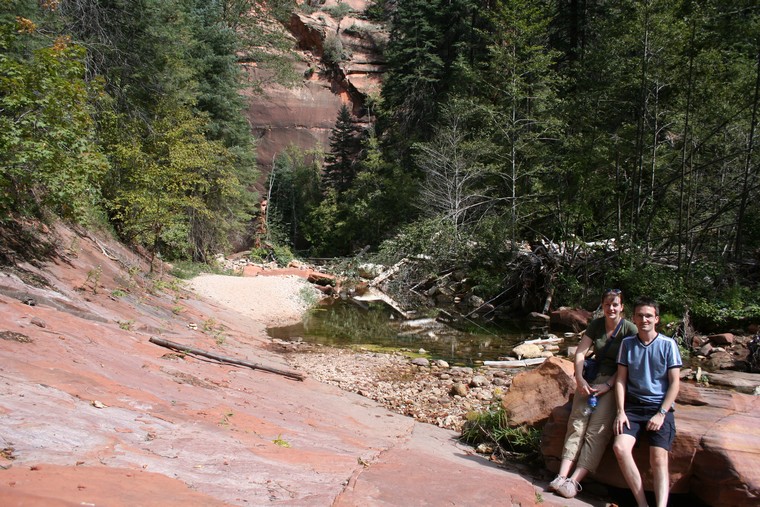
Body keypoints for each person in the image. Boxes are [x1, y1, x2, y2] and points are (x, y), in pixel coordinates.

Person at [549, 288, 638, 499]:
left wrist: (607, 385)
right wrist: (579, 378)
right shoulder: (597, 324)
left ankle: (574, 481)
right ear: (603, 306)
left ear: (622, 307)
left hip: (613, 384)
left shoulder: (629, 329)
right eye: (608, 304)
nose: (611, 308)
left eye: (615, 304)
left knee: (596, 431)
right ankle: (561, 476)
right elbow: (580, 351)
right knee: (576, 424)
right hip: (590, 381)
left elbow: (628, 364)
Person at [613, 297, 682, 507]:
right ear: (634, 318)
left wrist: (661, 413)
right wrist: (620, 411)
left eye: (648, 316)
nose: (644, 319)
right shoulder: (627, 344)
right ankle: (642, 503)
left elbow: (674, 383)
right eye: (640, 315)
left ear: (656, 319)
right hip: (633, 407)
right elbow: (621, 379)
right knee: (620, 448)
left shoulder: (668, 345)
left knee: (658, 458)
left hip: (659, 407)